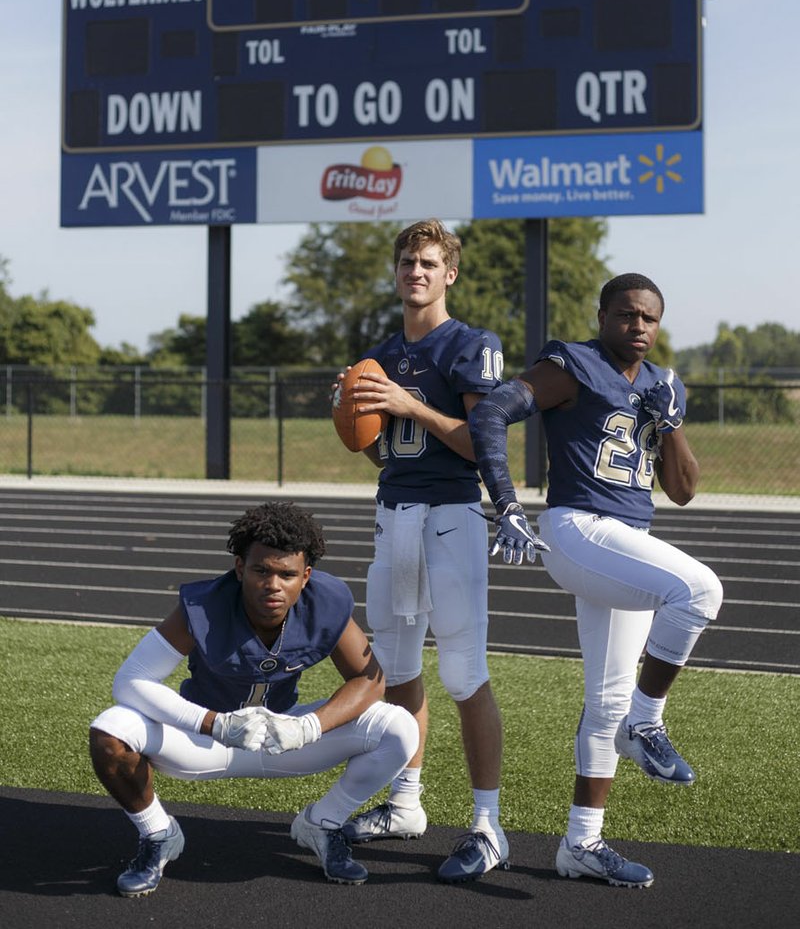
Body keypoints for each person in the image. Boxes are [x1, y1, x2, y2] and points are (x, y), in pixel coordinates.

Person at [467, 273, 723, 889]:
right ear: (603, 314)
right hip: (578, 526)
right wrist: (506, 502)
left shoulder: (663, 383)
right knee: (699, 590)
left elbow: (684, 491)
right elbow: (494, 413)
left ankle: (581, 843)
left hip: (624, 541)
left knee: (606, 700)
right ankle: (649, 720)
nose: (639, 327)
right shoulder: (575, 362)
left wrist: (670, 424)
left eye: (650, 319)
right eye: (628, 315)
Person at [89, 501, 418, 896]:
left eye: (287, 574)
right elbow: (131, 680)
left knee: (398, 727)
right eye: (261, 570)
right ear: (240, 568)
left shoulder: (326, 602)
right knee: (111, 730)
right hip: (205, 740)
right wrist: (215, 723)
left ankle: (323, 823)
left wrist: (308, 726)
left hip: (282, 737)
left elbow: (369, 680)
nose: (273, 585)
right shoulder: (205, 604)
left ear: (306, 576)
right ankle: (159, 835)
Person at [338, 218, 509, 883]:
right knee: (399, 669)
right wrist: (356, 420)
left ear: (450, 273)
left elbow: (482, 444)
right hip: (394, 515)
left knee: (464, 673)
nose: (417, 270)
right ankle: (405, 802)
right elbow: (386, 452)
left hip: (452, 516)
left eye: (429, 262)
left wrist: (412, 403)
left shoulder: (470, 344)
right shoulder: (379, 351)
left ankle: (488, 823)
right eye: (408, 260)